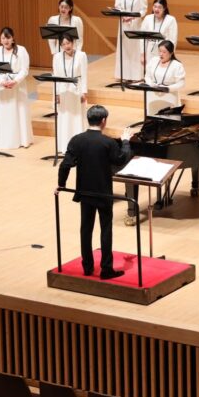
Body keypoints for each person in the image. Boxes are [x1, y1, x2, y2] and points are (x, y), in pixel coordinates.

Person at [57, 105, 133, 280]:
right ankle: (106, 269)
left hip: (85, 193)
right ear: (104, 121)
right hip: (104, 193)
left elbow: (65, 165)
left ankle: (87, 267)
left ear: (88, 119)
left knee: (86, 230)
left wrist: (61, 185)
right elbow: (121, 159)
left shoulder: (76, 140)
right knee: (105, 230)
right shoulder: (108, 142)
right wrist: (125, 141)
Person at [0, 27, 33, 149]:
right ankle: (2, 141)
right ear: (0, 39)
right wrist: (1, 82)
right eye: (3, 38)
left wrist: (15, 81)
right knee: (4, 113)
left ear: (13, 38)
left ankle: (21, 140)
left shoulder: (21, 50)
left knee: (19, 111)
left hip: (17, 86)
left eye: (8, 38)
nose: (6, 40)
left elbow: (24, 69)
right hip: (3, 86)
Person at [52, 33, 88, 151]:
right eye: (63, 44)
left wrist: (84, 92)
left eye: (68, 43)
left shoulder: (81, 55)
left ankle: (79, 147)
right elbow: (56, 76)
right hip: (63, 92)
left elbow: (84, 75)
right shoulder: (57, 57)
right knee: (65, 118)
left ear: (73, 43)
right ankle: (65, 146)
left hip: (77, 90)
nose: (66, 46)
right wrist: (56, 94)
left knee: (77, 117)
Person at [114, 0, 148, 82]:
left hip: (135, 25)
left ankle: (136, 76)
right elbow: (117, 6)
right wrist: (123, 16)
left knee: (134, 50)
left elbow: (144, 10)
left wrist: (132, 17)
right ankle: (123, 75)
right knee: (123, 49)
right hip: (123, 24)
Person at [144, 40, 186, 114]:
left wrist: (168, 88)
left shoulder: (177, 65)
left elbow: (181, 83)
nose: (161, 54)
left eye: (164, 52)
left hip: (169, 96)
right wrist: (151, 84)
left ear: (171, 53)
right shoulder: (154, 60)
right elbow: (147, 76)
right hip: (152, 95)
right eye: (160, 51)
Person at [141, 0, 178, 65]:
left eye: (159, 7)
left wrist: (169, 55)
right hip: (149, 52)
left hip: (164, 53)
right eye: (155, 6)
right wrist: (142, 55)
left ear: (164, 8)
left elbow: (173, 40)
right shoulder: (147, 18)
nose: (156, 9)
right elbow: (142, 39)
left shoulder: (171, 20)